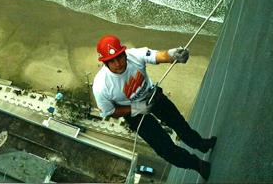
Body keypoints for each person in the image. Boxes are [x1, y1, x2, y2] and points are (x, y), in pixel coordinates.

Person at [92, 35, 217, 180]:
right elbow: (110, 111)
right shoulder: (101, 86)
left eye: (120, 57)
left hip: (152, 97)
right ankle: (197, 165)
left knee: (180, 124)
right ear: (105, 63)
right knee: (165, 148)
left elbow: (159, 56)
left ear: (124, 53)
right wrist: (138, 108)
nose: (118, 63)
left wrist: (173, 55)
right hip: (133, 113)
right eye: (111, 61)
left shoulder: (135, 55)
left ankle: (201, 144)